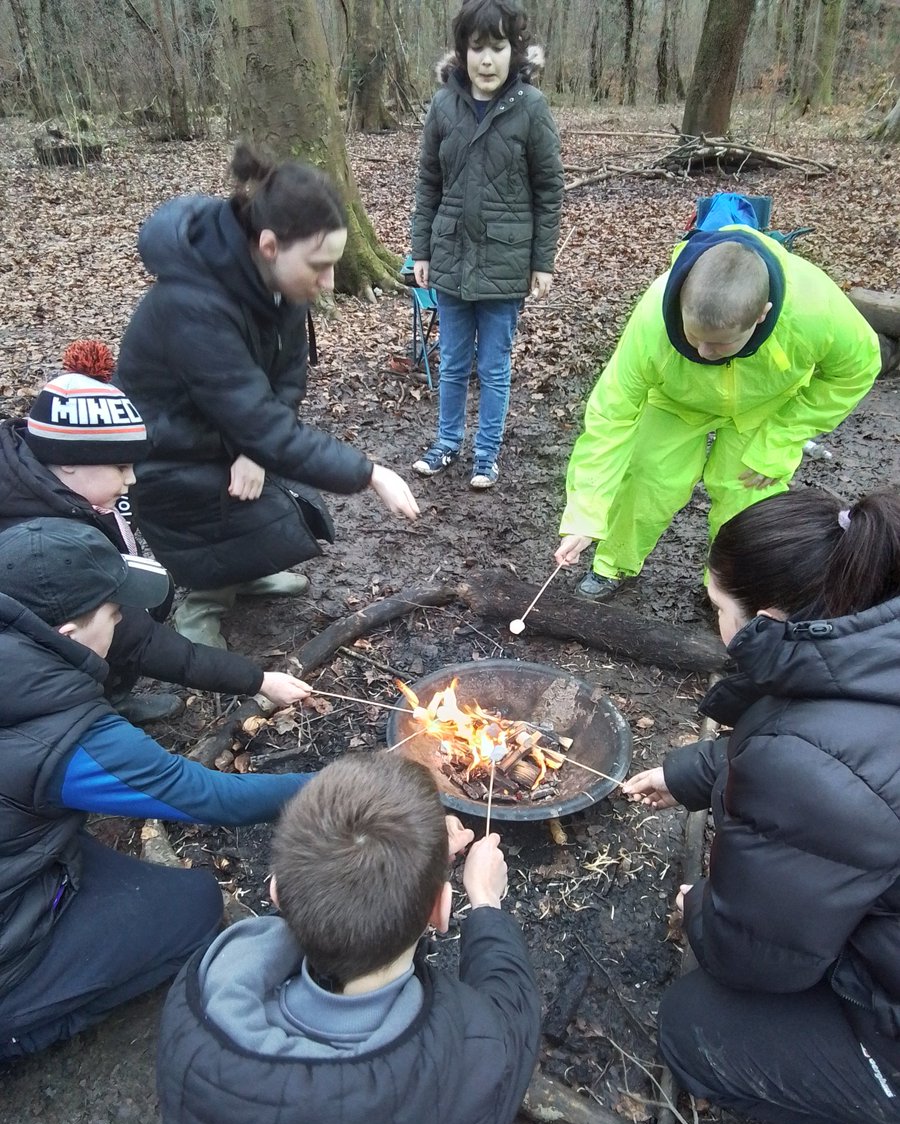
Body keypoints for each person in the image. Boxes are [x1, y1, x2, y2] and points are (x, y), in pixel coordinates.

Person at [623, 487, 900, 1124]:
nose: (718, 622)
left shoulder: (803, 765)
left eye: (719, 609)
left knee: (695, 1028)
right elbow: (844, 750)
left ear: (767, 620)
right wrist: (690, 773)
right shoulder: (874, 645)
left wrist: (701, 915)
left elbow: (761, 958)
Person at [0, 518, 318, 1061]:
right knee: (194, 906)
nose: (125, 618)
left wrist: (255, 680)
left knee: (90, 861)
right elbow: (209, 797)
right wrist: (338, 783)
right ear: (69, 636)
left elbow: (158, 648)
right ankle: (19, 1023)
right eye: (114, 611)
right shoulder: (72, 741)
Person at [156, 752, 541, 1124]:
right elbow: (513, 1019)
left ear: (277, 890)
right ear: (441, 910)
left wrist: (405, 876)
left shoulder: (199, 995)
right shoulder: (460, 1059)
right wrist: (487, 904)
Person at [115, 144, 419, 649]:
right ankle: (203, 606)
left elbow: (287, 380)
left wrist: (253, 450)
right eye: (319, 266)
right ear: (271, 244)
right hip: (165, 450)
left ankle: (244, 575)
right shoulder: (193, 304)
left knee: (266, 492)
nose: (327, 283)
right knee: (218, 503)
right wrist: (369, 472)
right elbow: (260, 420)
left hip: (223, 428)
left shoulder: (278, 285)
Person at [555, 224, 881, 600]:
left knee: (747, 495)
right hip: (676, 402)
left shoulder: (814, 309)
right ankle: (614, 563)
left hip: (765, 407)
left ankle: (729, 587)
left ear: (762, 315)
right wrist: (585, 513)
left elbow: (857, 370)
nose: (704, 353)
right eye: (694, 338)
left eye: (720, 343)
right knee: (647, 477)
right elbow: (611, 416)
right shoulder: (652, 320)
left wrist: (782, 437)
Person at [0, 365, 315, 720]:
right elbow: (139, 640)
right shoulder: (42, 550)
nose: (131, 479)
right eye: (121, 468)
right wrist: (258, 681)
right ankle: (97, 706)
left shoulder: (71, 492)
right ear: (70, 462)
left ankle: (111, 691)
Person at [410, 0, 563, 490]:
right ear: (463, 52)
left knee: (494, 366)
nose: (487, 60)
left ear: (513, 50)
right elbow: (428, 183)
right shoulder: (442, 105)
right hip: (451, 257)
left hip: (505, 260)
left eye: (497, 47)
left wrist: (543, 263)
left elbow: (549, 189)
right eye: (477, 48)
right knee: (453, 362)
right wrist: (422, 251)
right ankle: (447, 443)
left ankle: (486, 454)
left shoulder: (531, 108)